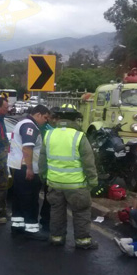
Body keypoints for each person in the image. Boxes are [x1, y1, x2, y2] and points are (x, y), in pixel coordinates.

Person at [39, 106, 99, 249]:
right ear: (75, 119)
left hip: (55, 183)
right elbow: (88, 162)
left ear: (58, 118)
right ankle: (83, 241)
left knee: (57, 212)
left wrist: (44, 177)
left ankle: (57, 238)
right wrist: (92, 181)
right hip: (76, 185)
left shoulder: (49, 135)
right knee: (81, 213)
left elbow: (42, 160)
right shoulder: (79, 136)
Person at [8, 105, 50, 240]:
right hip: (26, 168)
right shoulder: (29, 126)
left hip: (17, 166)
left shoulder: (21, 123)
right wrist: (30, 168)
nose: (46, 121)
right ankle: (31, 228)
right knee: (30, 199)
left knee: (19, 198)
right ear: (37, 114)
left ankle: (17, 225)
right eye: (45, 117)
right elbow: (27, 148)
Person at [38, 110, 57, 233]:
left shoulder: (49, 129)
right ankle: (46, 223)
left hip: (50, 171)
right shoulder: (48, 130)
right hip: (52, 171)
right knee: (50, 200)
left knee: (48, 199)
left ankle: (46, 222)